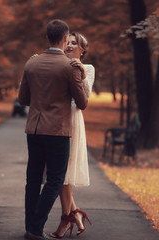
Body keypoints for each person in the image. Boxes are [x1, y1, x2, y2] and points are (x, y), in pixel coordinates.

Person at [18, 20, 88, 240]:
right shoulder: (69, 66)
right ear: (65, 38)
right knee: (55, 180)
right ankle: (36, 228)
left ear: (47, 37)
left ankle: (31, 227)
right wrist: (81, 76)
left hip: (34, 130)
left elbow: (23, 99)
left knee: (32, 180)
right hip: (57, 132)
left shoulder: (31, 63)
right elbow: (83, 103)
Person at [49, 32, 95, 239]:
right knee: (61, 174)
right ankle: (75, 215)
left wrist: (82, 75)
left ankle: (66, 220)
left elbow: (83, 101)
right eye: (67, 42)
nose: (69, 46)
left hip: (73, 122)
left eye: (74, 43)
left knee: (62, 175)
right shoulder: (58, 66)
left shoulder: (88, 69)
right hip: (57, 121)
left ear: (82, 50)